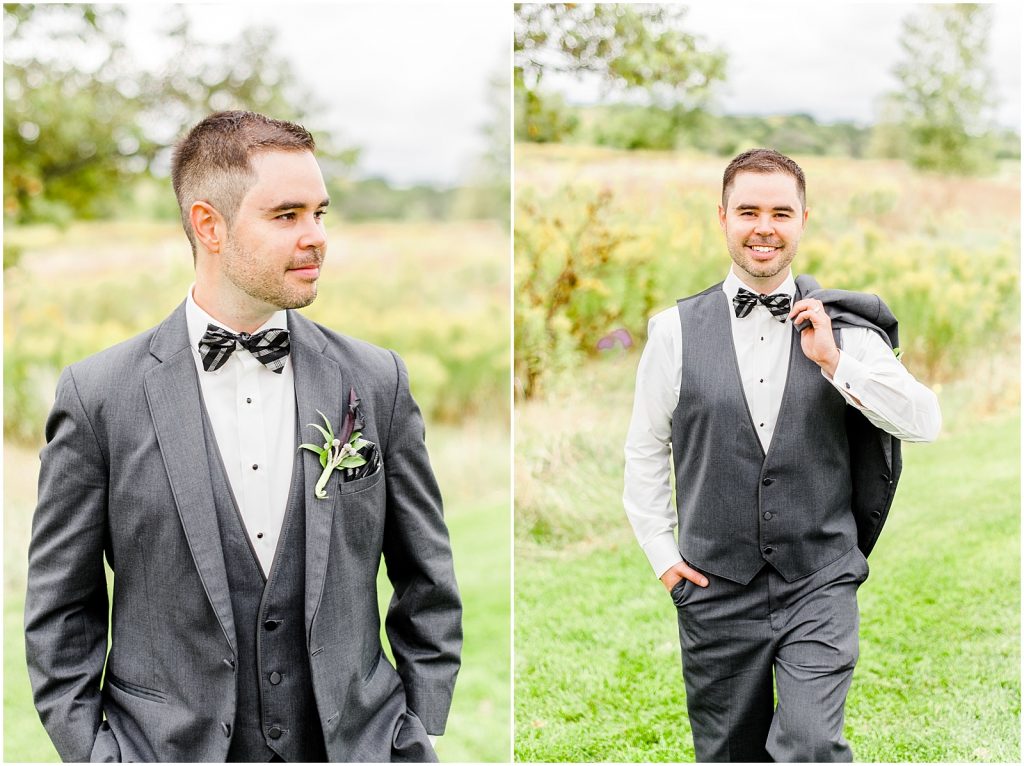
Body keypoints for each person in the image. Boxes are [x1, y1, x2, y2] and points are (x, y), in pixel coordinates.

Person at [25, 110, 462, 763]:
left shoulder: (376, 382)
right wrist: (92, 752)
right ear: (210, 226)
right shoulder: (100, 398)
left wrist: (417, 726)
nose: (316, 237)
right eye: (287, 216)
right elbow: (61, 608)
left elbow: (427, 576)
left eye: (321, 212)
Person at [623, 148, 940, 762]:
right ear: (722, 218)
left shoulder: (847, 329)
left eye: (780, 212)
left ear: (803, 220)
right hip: (715, 587)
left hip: (819, 579)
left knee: (810, 744)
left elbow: (924, 421)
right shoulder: (674, 331)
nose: (764, 227)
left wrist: (836, 364)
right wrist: (664, 558)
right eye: (748, 211)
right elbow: (644, 449)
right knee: (726, 753)